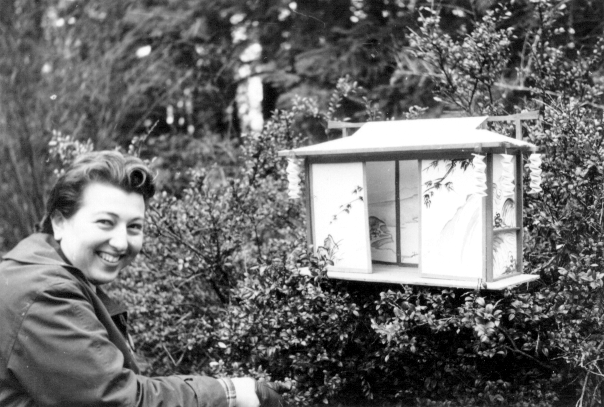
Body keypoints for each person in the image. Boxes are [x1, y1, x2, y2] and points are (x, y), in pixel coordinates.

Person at [0, 150, 284, 407]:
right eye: (105, 223)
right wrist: (231, 393)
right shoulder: (46, 293)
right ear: (59, 222)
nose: (122, 243)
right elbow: (122, 400)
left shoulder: (43, 269)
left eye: (134, 226)